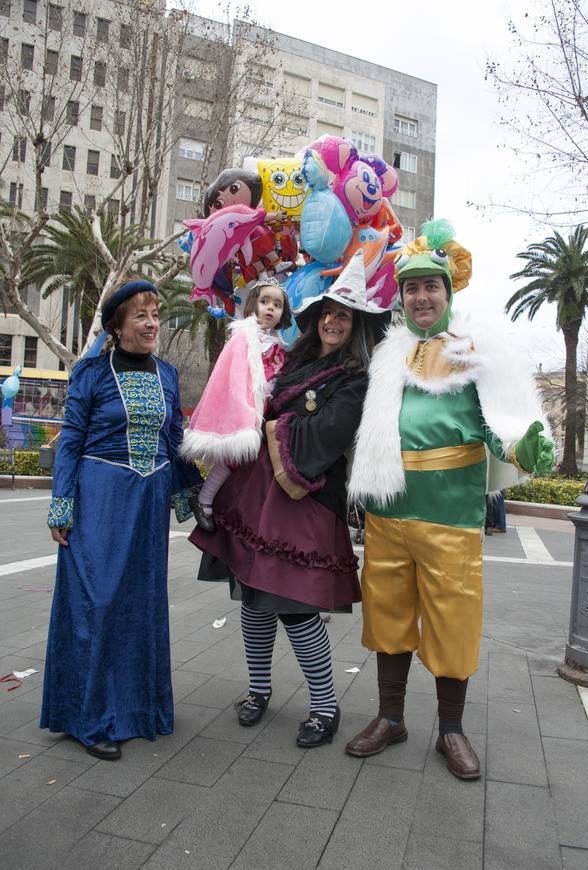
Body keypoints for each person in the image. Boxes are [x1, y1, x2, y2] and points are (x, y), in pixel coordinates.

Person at [345, 221, 555, 780]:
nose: (421, 297)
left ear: (448, 291)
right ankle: (391, 718)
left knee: (453, 621)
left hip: (451, 515)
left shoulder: (472, 352)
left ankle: (452, 730)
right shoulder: (387, 356)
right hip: (388, 512)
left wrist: (522, 445)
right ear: (402, 297)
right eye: (411, 288)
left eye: (430, 287)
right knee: (386, 616)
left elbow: (499, 424)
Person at [189, 251, 389, 748]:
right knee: (253, 602)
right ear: (316, 318)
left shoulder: (355, 378)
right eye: (327, 314)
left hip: (306, 499)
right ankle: (259, 690)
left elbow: (330, 433)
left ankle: (325, 706)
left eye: (343, 316)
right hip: (256, 496)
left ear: (356, 326)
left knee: (297, 609)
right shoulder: (293, 361)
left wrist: (271, 425)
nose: (333, 322)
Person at [40, 280, 202, 761]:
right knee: (100, 600)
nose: (152, 324)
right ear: (118, 325)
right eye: (141, 316)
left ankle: (138, 710)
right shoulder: (91, 373)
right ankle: (90, 718)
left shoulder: (168, 373)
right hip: (100, 498)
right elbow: (70, 440)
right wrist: (62, 503)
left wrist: (198, 496)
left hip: (149, 502)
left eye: (155, 314)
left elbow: (174, 439)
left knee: (142, 602)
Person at [179, 279, 292, 531]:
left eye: (277, 305)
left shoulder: (279, 346)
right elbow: (231, 375)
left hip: (268, 411)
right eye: (265, 301)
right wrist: (247, 404)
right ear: (253, 305)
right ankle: (204, 500)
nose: (270, 308)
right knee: (232, 459)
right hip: (243, 407)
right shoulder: (243, 338)